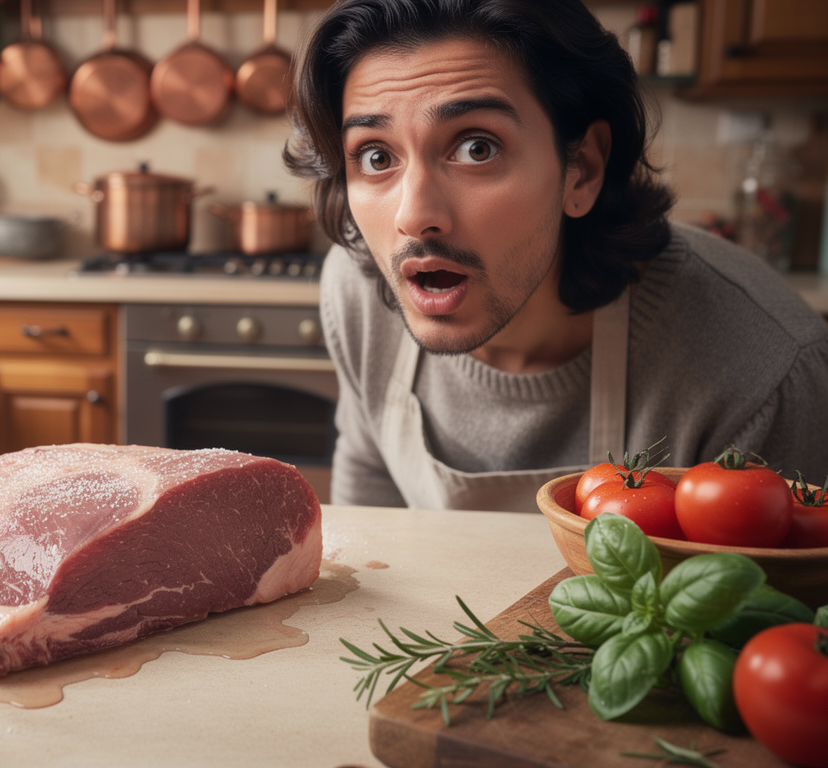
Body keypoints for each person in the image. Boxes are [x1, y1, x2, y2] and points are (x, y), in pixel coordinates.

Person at [284, 0, 828, 511]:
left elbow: (768, 605)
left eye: (477, 147)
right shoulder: (356, 290)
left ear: (582, 169)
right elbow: (373, 495)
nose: (413, 216)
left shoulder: (765, 368)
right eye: (376, 156)